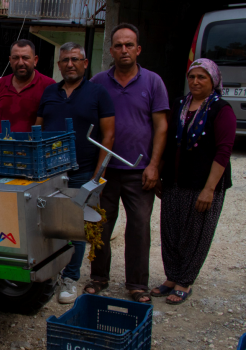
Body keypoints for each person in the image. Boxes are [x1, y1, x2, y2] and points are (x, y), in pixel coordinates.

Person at [86, 23, 169, 303]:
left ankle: (137, 284)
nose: (124, 50)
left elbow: (161, 127)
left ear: (138, 49)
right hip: (106, 170)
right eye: (118, 45)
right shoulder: (98, 82)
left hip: (139, 172)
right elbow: (91, 126)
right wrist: (95, 169)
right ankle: (98, 278)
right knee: (100, 226)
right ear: (111, 50)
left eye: (129, 45)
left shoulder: (153, 82)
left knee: (138, 228)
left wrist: (154, 165)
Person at [35, 42, 115, 304]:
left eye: (75, 59)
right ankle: (49, 273)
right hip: (49, 172)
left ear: (85, 62)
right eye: (65, 60)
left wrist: (97, 175)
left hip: (82, 172)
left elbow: (108, 135)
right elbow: (38, 127)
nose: (70, 64)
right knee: (46, 224)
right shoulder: (49, 92)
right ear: (59, 65)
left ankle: (70, 279)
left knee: (75, 228)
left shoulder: (98, 93)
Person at [151, 58, 236, 305]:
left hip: (202, 186)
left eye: (202, 77)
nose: (196, 82)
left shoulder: (222, 110)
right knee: (171, 231)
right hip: (175, 182)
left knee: (194, 234)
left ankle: (184, 281)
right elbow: (169, 143)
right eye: (192, 77)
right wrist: (159, 173)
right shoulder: (180, 104)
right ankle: (171, 277)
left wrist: (209, 189)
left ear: (213, 81)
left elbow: (224, 151)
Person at [0, 39, 56, 134]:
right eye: (15, 58)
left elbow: (52, 123)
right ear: (10, 60)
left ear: (35, 60)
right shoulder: (0, 84)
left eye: (25, 58)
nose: (20, 63)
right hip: (3, 147)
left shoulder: (48, 85)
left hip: (34, 147)